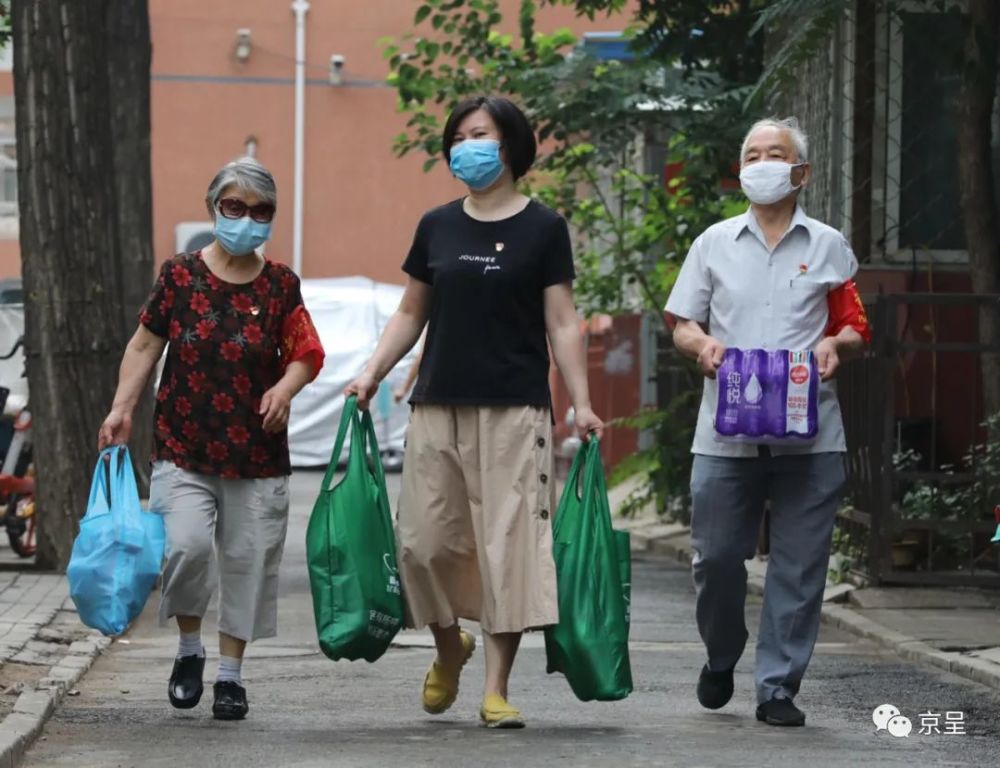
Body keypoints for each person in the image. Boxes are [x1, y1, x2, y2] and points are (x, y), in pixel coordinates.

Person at [346, 96, 602, 729]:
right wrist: (371, 371)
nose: (466, 145)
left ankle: (496, 688)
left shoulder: (544, 228)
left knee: (506, 548)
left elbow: (563, 321)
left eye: (479, 134)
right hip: (437, 404)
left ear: (510, 145)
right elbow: (412, 311)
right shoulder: (437, 225)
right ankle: (447, 646)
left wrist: (585, 404)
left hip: (516, 409)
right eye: (458, 136)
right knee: (425, 546)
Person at [98, 157, 324, 721]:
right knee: (186, 548)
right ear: (213, 207)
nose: (246, 219)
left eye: (260, 210)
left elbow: (306, 352)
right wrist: (122, 407)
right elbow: (145, 346)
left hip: (257, 452)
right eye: (235, 207)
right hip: (184, 445)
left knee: (248, 560)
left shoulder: (280, 283)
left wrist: (286, 389)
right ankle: (189, 648)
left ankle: (231, 675)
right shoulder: (180, 275)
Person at [665, 117, 870, 727]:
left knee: (801, 566)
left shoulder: (828, 245)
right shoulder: (713, 243)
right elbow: (682, 322)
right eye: (751, 153)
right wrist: (701, 346)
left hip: (812, 435)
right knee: (717, 558)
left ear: (799, 172)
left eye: (774, 154)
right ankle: (722, 651)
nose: (761, 162)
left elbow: (852, 321)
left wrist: (840, 347)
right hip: (725, 434)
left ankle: (777, 686)